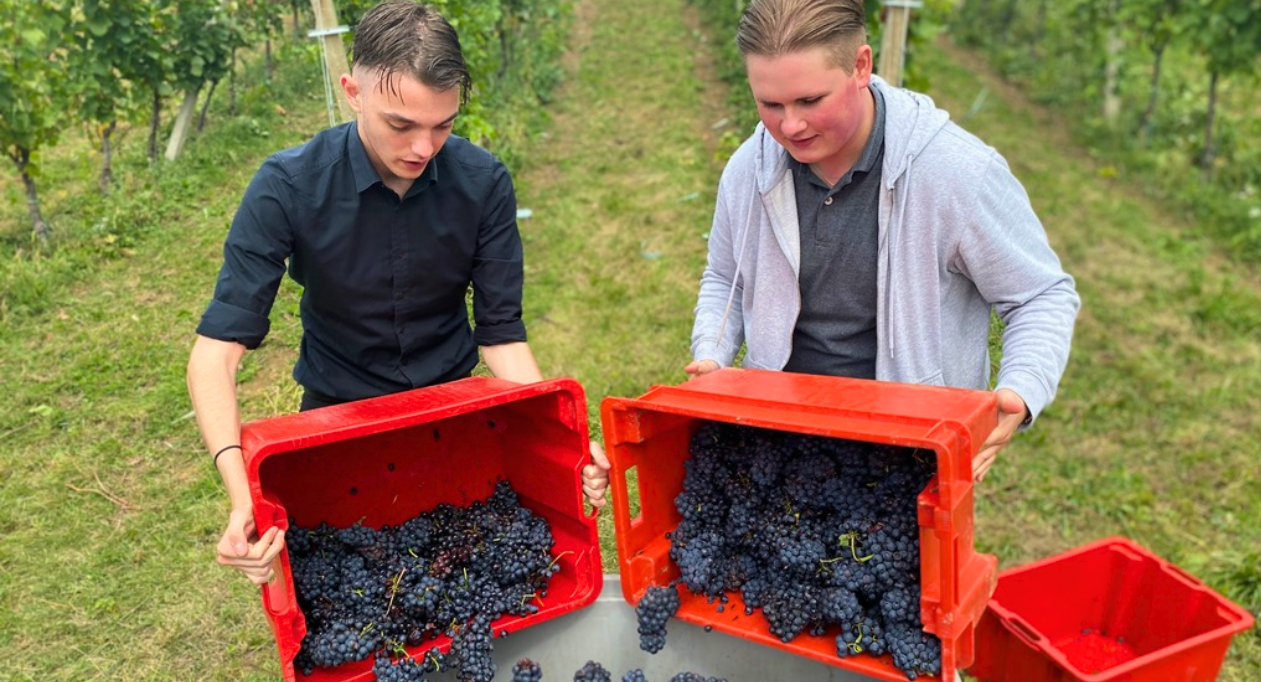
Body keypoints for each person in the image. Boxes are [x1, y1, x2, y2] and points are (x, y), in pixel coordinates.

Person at [187, 0, 609, 587]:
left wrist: (559, 442)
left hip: (458, 423)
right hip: (337, 428)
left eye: (444, 125)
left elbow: (503, 337)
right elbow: (216, 353)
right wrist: (243, 497)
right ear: (351, 91)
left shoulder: (483, 183)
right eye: (401, 125)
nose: (423, 148)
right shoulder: (287, 187)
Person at [685, 0, 1080, 480]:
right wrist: (712, 352)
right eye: (771, 104)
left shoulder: (956, 174)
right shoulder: (750, 169)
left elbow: (1041, 295)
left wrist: (1021, 387)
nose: (790, 126)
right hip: (779, 432)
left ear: (861, 67)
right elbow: (727, 277)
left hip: (909, 448)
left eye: (810, 101)